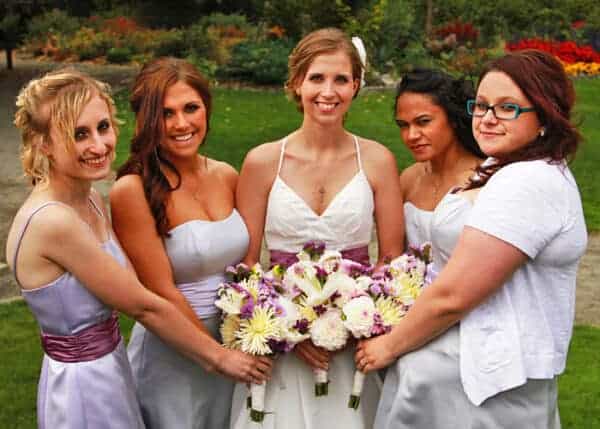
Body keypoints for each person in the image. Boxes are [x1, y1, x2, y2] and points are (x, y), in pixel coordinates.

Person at [5, 68, 271, 429]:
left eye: (103, 128)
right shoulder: (54, 221)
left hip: (111, 367)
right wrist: (221, 359)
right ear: (43, 144)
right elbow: (143, 303)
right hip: (83, 384)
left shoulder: (90, 202)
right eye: (78, 134)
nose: (98, 146)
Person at [356, 50, 588, 428]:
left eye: (507, 108)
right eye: (481, 106)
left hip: (481, 380)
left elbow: (455, 295)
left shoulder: (526, 182)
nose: (488, 119)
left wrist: (388, 346)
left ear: (545, 116)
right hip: (454, 371)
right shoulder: (511, 168)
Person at [231, 28, 404, 429]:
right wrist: (291, 333)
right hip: (284, 351)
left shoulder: (377, 161)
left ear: (356, 86)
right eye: (316, 78)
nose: (329, 91)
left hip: (353, 345)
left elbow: (392, 259)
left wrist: (353, 323)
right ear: (296, 83)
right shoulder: (262, 162)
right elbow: (247, 262)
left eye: (341, 79)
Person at [109, 57, 270, 428]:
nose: (181, 124)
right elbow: (161, 291)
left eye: (191, 108)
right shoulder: (131, 191)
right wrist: (217, 355)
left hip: (236, 346)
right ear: (148, 121)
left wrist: (255, 330)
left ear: (206, 108)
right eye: (166, 114)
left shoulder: (227, 175)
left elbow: (246, 266)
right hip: (176, 353)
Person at [394, 68, 485, 251]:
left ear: (452, 118)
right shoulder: (409, 179)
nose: (411, 135)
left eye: (423, 121)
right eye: (403, 125)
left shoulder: (485, 179)